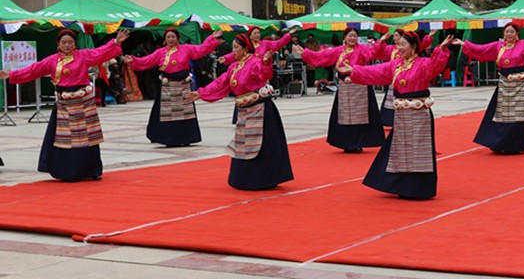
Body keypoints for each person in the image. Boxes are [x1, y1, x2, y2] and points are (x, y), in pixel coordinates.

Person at [0, 28, 129, 181]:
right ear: (58, 44)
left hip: (83, 103)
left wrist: (115, 42)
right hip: (64, 104)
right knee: (65, 139)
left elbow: (100, 53)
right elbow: (34, 69)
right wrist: (12, 75)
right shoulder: (52, 60)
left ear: (75, 44)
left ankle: (92, 169)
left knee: (87, 137)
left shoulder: (83, 56)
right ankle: (67, 171)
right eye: (64, 42)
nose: (67, 45)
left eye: (70, 42)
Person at [337, 32, 454, 199]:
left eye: (403, 45)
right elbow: (376, 71)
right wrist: (354, 69)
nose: (400, 48)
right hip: (401, 115)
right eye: (399, 44)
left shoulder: (424, 63)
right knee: (401, 151)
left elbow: (437, 65)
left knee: (417, 151)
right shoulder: (396, 65)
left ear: (414, 47)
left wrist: (441, 49)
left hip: (419, 114)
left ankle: (418, 189)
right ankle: (402, 186)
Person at [189, 33, 294, 190]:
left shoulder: (255, 62)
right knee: (243, 144)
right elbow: (221, 82)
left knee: (261, 145)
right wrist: (201, 93)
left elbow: (264, 73)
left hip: (260, 110)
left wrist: (266, 62)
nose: (233, 50)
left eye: (236, 47)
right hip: (244, 111)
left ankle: (263, 179)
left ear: (245, 49)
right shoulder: (234, 67)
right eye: (232, 47)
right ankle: (243, 179)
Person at [453, 23, 524, 153]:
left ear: (517, 34)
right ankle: (500, 143)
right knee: (502, 114)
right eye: (507, 32)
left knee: (518, 115)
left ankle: (516, 145)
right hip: (504, 83)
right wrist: (464, 44)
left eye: (512, 32)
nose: (509, 34)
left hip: (519, 84)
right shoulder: (498, 46)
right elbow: (482, 49)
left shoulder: (523, 45)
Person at [124, 27, 223, 147]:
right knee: (167, 114)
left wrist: (211, 38)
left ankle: (187, 137)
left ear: (177, 38)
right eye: (168, 37)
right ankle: (169, 139)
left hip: (183, 86)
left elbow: (201, 49)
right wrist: (133, 60)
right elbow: (146, 61)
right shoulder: (160, 52)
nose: (171, 39)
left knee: (185, 113)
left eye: (173, 37)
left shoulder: (186, 49)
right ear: (165, 39)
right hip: (167, 87)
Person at [293, 27, 385, 152]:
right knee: (345, 115)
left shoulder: (362, 49)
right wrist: (305, 53)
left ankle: (359, 142)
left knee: (361, 115)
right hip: (345, 87)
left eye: (355, 36)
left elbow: (373, 52)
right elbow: (321, 56)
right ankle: (347, 143)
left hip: (361, 86)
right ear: (344, 37)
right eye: (350, 36)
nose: (352, 38)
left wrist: (381, 42)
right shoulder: (339, 51)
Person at [372, 28, 436, 126]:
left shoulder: (419, 59)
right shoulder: (391, 49)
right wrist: (381, 41)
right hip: (395, 80)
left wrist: (430, 37)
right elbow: (376, 53)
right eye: (394, 36)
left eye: (397, 36)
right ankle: (389, 121)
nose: (395, 38)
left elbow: (421, 45)